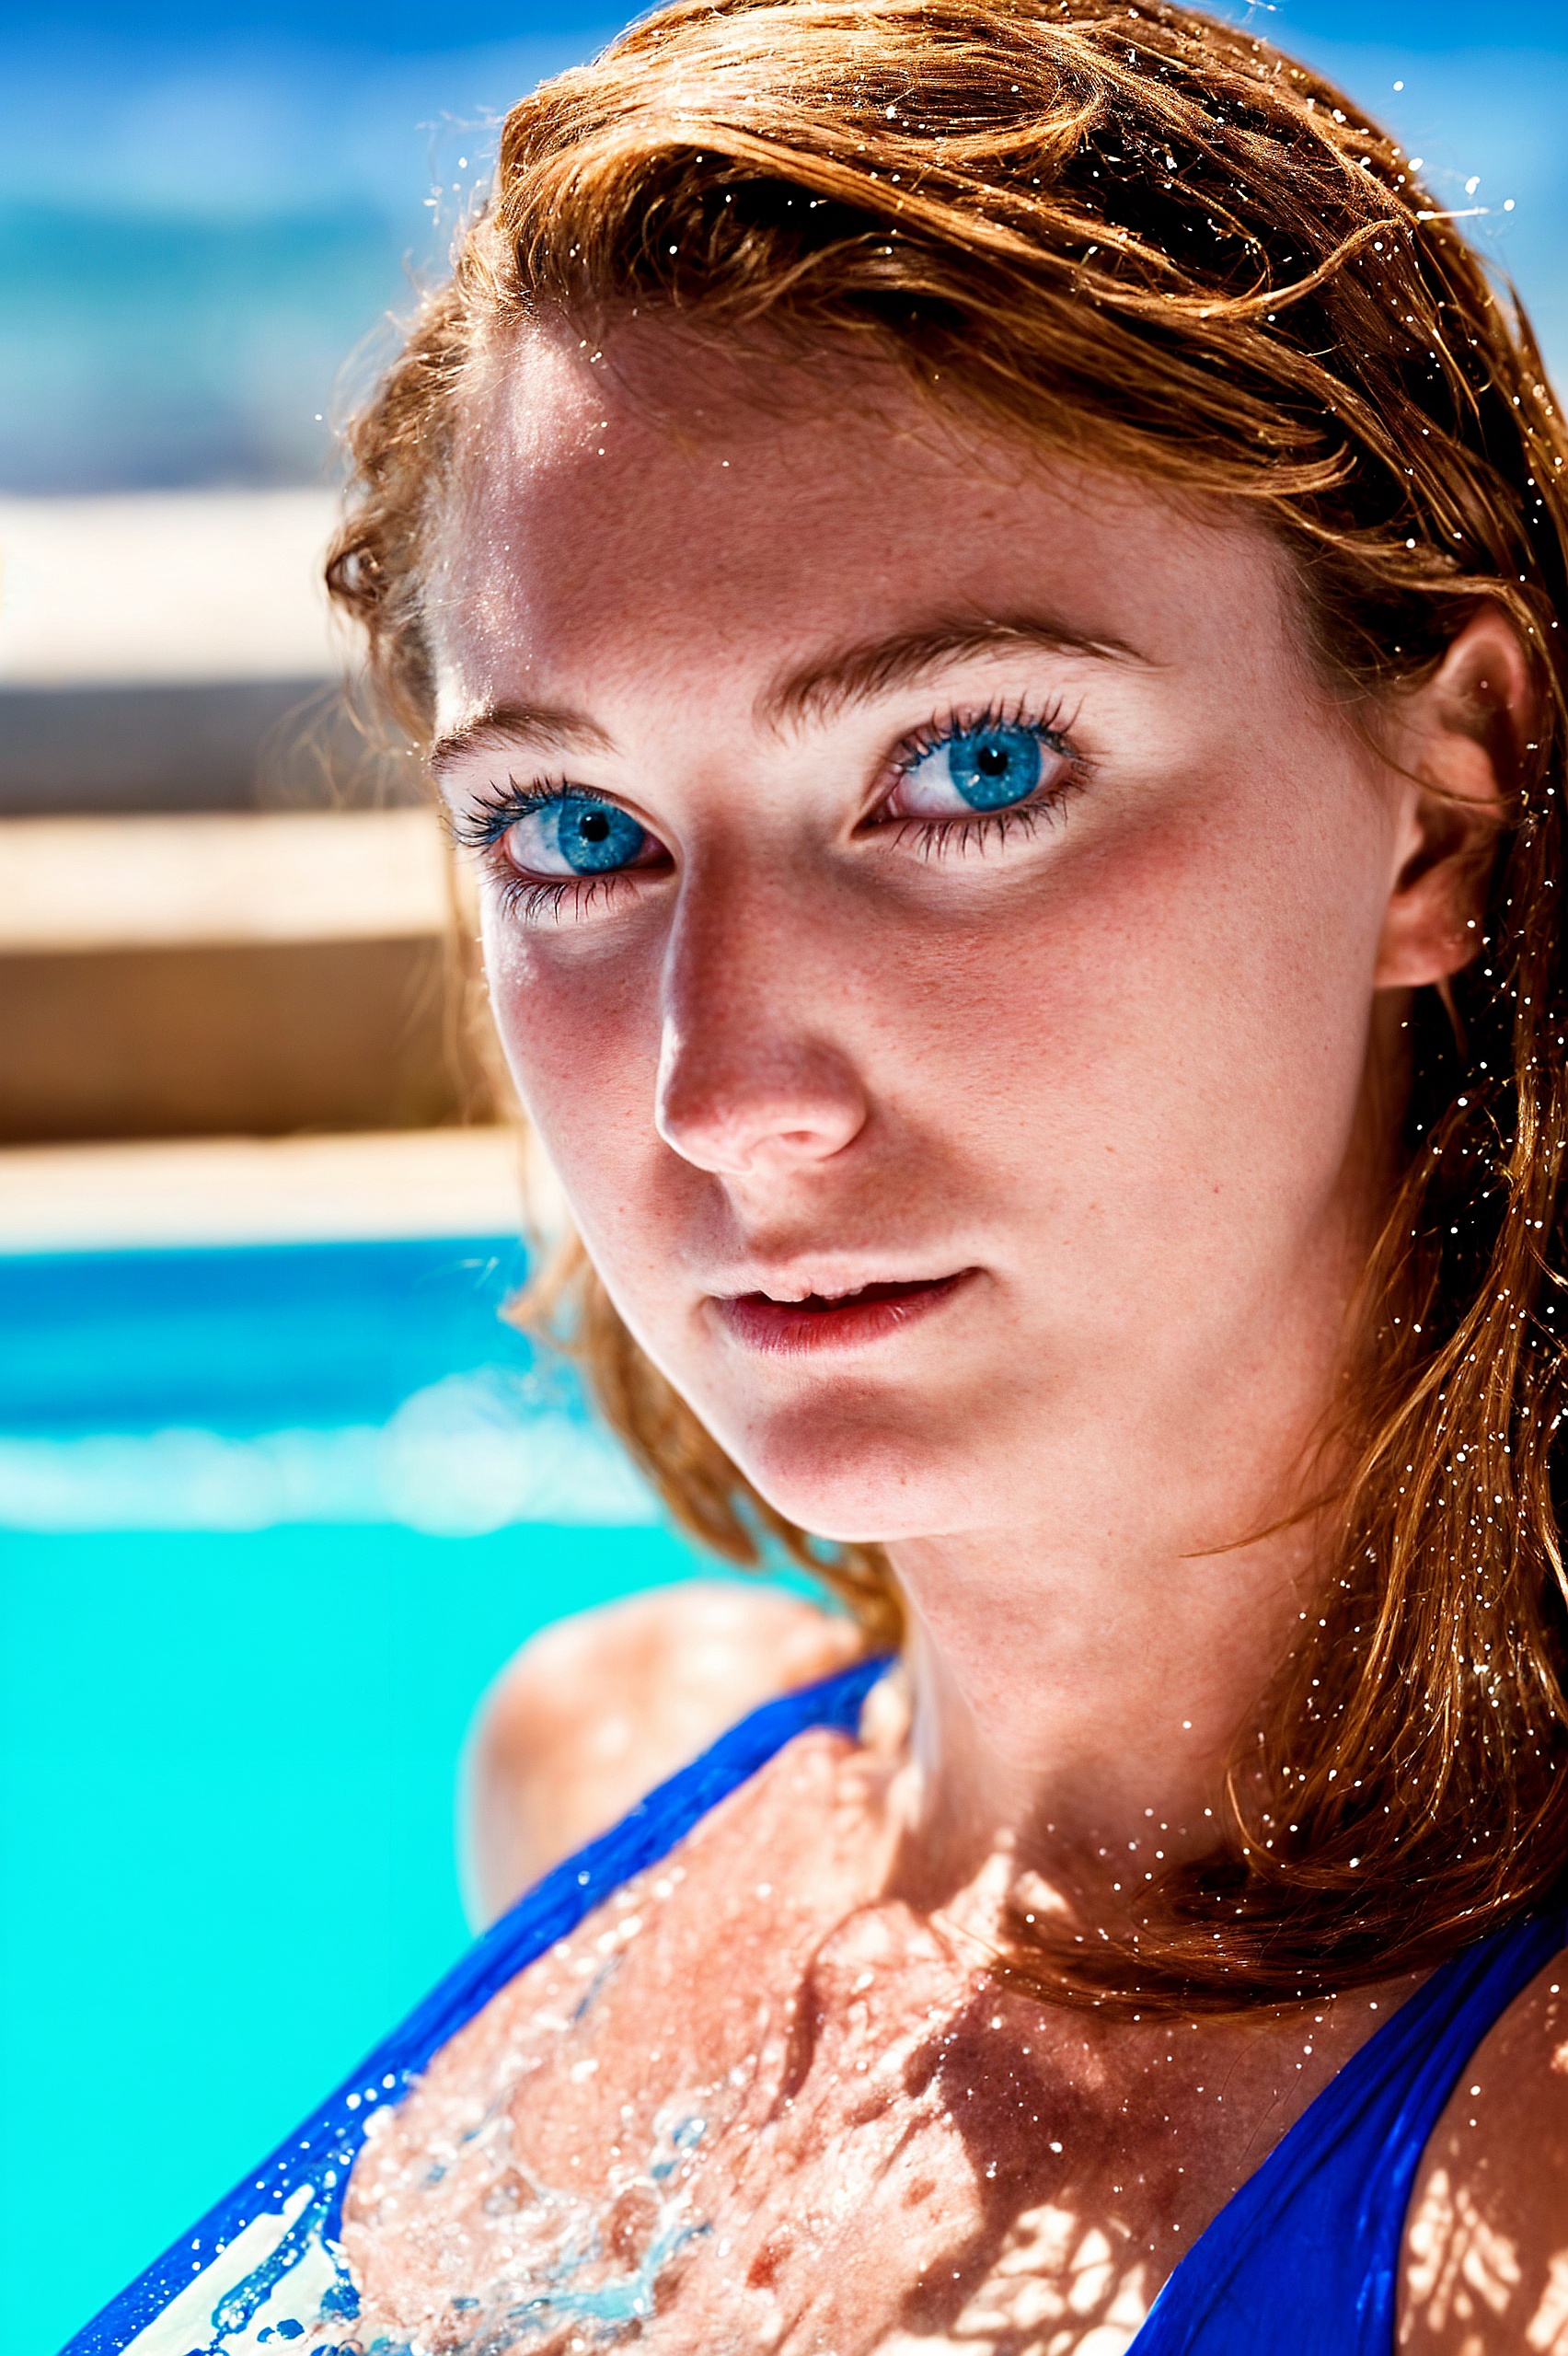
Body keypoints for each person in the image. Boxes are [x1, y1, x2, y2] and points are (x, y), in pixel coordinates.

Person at [74, 1, 1568, 2350]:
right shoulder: (607, 1773)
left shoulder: (1524, 2172)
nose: (725, 1080)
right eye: (579, 830)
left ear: (1446, 795)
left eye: (971, 764)